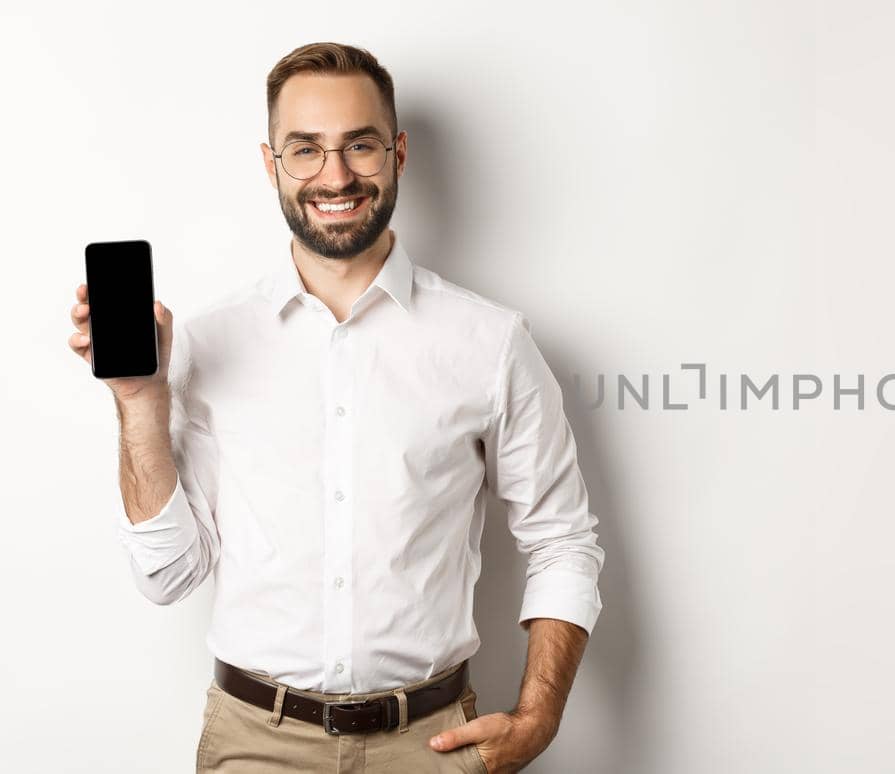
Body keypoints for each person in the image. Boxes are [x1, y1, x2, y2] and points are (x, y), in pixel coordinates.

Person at [64, 41, 604, 773]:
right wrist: (138, 402)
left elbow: (561, 539)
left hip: (432, 744)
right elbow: (168, 576)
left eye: (360, 146)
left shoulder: (490, 343)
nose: (336, 175)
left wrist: (539, 718)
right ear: (271, 165)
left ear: (399, 153)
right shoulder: (205, 344)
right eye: (305, 150)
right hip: (254, 744)